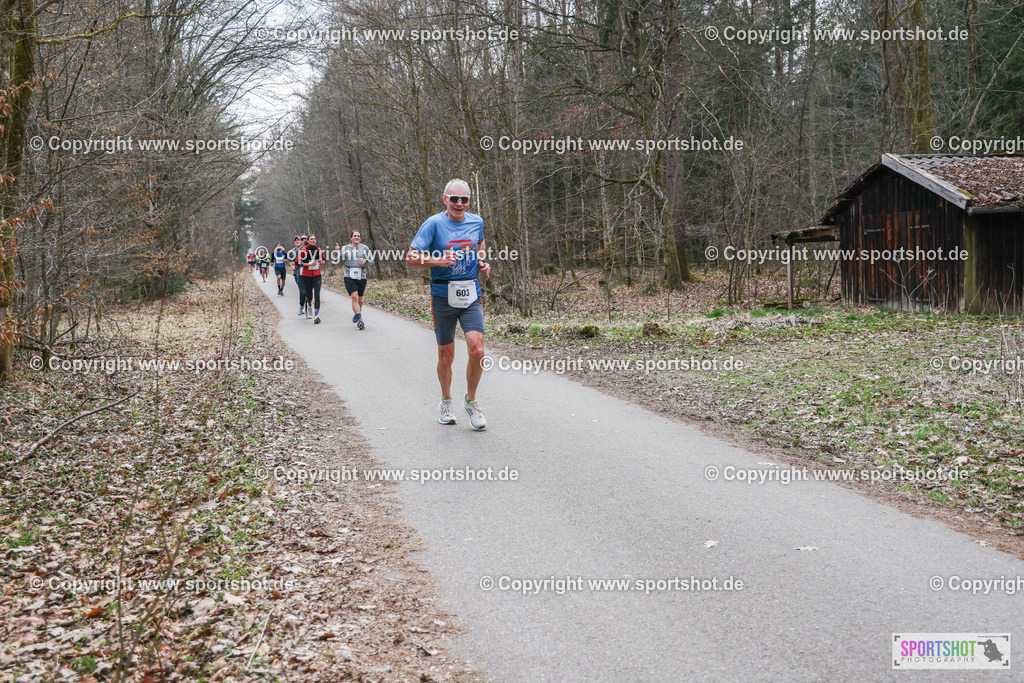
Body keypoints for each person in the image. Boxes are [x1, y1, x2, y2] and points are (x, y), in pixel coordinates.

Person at [406, 178, 490, 430]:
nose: (459, 204)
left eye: (464, 199)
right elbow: (411, 257)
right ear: (445, 199)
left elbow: (480, 246)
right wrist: (437, 261)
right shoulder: (433, 224)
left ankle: (472, 402)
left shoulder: (476, 221)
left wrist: (482, 263)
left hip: (471, 294)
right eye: (454, 199)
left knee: (477, 350)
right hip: (443, 297)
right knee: (447, 356)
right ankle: (446, 401)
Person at [340, 231, 374, 330]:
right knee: (354, 296)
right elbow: (337, 259)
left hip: (361, 275)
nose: (357, 237)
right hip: (349, 274)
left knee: (360, 299)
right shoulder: (345, 248)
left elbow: (372, 261)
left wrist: (365, 261)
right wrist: (338, 252)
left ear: (360, 238)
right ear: (351, 238)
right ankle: (360, 319)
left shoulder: (365, 248)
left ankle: (358, 311)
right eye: (355, 236)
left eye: (358, 236)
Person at [298, 234, 325, 323]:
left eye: (314, 239)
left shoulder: (319, 250)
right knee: (309, 295)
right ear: (308, 241)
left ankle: (316, 315)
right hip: (306, 276)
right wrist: (308, 264)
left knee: (317, 295)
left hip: (317, 275)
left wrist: (322, 261)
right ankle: (309, 306)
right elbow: (298, 263)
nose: (313, 240)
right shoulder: (303, 251)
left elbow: (324, 261)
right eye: (311, 239)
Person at [292, 236, 307, 315]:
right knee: (302, 291)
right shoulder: (293, 251)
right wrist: (292, 265)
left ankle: (305, 306)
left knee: (306, 290)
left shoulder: (307, 249)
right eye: (296, 240)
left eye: (299, 240)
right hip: (297, 273)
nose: (298, 241)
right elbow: (291, 261)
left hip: (307, 272)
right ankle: (302, 305)